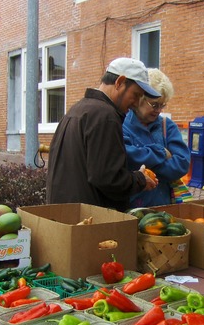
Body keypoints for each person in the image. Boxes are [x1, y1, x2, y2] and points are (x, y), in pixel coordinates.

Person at [46, 57, 160, 212]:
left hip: (67, 215)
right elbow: (108, 178)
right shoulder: (106, 116)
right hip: (91, 221)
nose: (136, 103)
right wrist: (140, 179)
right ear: (120, 82)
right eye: (136, 94)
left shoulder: (78, 109)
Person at [122, 68, 191, 207]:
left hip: (163, 207)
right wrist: (162, 153)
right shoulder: (122, 124)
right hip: (130, 208)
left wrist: (144, 172)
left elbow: (182, 163)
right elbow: (126, 157)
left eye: (162, 105)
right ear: (139, 98)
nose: (159, 110)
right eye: (154, 104)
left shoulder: (167, 126)